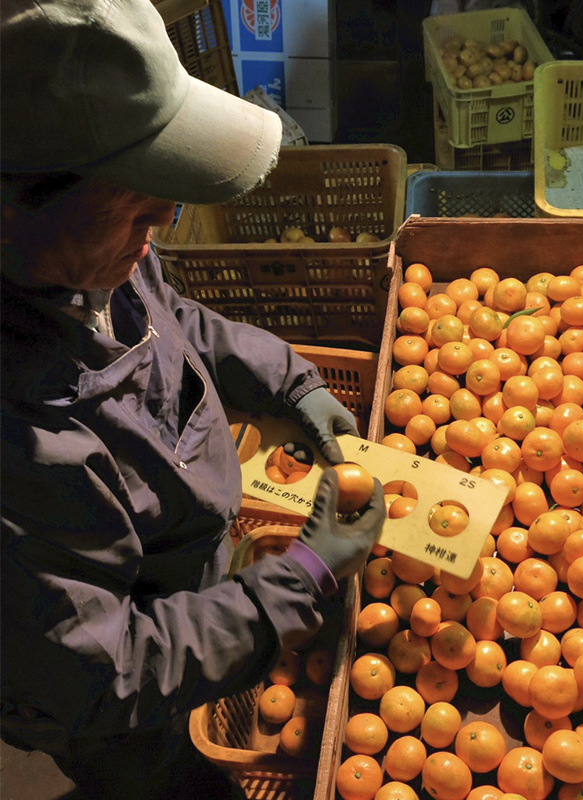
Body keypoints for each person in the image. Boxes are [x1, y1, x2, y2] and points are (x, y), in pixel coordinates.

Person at [0, 1, 386, 798]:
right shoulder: (19, 451)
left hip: (193, 576)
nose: (167, 221)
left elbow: (171, 320)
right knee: (164, 776)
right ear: (12, 207)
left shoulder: (83, 259)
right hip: (121, 703)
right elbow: (104, 673)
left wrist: (287, 378)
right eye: (139, 205)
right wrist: (300, 578)